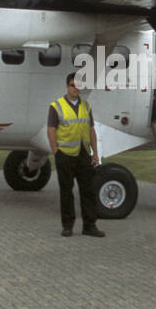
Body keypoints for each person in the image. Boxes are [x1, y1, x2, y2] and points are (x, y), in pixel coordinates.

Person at [47, 73, 105, 238]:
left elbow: (91, 129)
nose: (76, 88)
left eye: (78, 85)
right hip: (64, 154)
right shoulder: (56, 106)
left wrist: (95, 153)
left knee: (88, 190)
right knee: (66, 191)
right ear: (67, 86)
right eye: (73, 85)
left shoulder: (86, 106)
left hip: (83, 154)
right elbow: (51, 129)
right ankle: (67, 226)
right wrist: (55, 150)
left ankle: (89, 226)